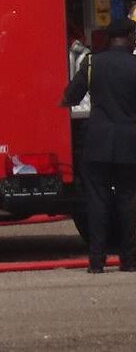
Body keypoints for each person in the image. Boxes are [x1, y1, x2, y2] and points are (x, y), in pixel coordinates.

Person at [61, 17, 136, 273]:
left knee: (97, 201)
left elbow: (70, 96)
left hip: (98, 142)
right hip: (129, 143)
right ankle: (129, 261)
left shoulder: (92, 63)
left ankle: (96, 262)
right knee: (128, 201)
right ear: (129, 37)